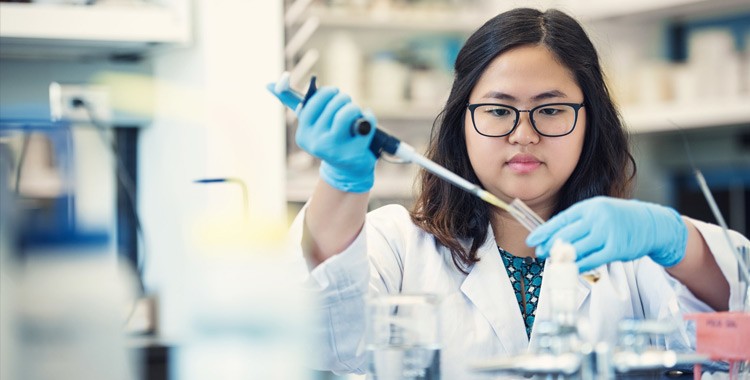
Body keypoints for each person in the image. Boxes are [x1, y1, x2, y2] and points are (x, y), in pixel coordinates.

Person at [273, 7, 748, 379]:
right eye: (499, 112)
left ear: (590, 122)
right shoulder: (400, 244)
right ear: (463, 121)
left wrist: (672, 238)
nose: (523, 134)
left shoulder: (633, 258)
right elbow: (326, 340)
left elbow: (739, 323)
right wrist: (341, 179)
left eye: (551, 110)